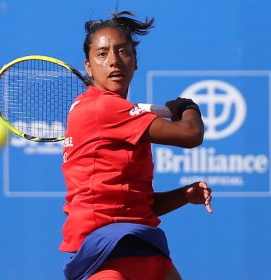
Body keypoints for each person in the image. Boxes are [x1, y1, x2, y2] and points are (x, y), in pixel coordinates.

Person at [60, 10, 212, 280]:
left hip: (149, 252)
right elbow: (191, 134)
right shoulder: (103, 107)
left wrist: (183, 196)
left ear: (135, 61)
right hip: (106, 258)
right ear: (88, 66)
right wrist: (188, 106)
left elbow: (133, 206)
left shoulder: (109, 110)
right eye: (103, 54)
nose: (114, 61)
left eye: (122, 51)